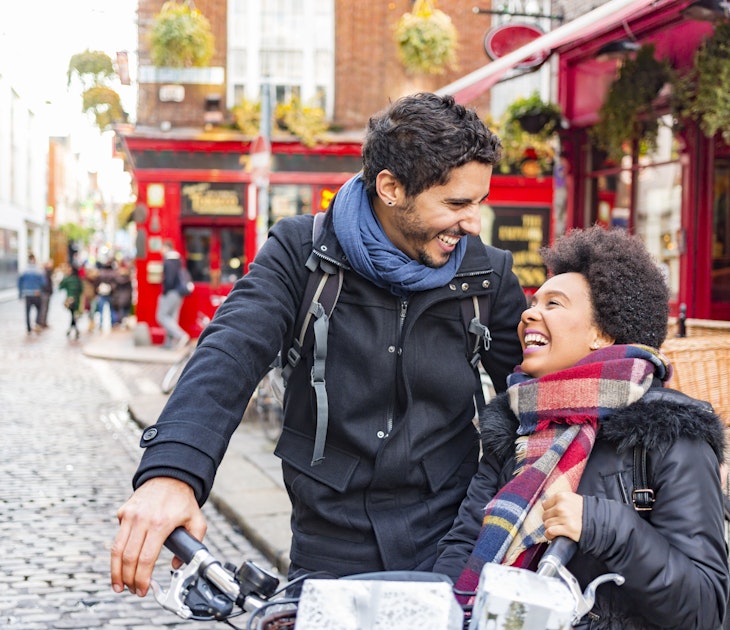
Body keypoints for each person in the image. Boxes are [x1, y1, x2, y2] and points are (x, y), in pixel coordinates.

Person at [111, 92, 526, 598]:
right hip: (329, 544)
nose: (473, 223)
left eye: (479, 201)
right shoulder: (299, 252)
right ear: (391, 188)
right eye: (457, 203)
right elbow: (230, 349)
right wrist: (173, 472)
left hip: (452, 534)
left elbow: (535, 390)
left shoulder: (488, 273)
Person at [433, 226, 729, 629]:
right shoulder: (513, 425)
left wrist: (602, 526)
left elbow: (706, 607)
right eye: (532, 302)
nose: (529, 313)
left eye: (553, 303)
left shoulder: (669, 432)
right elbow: (466, 543)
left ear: (601, 333)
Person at [155, 240, 190, 349]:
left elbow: (169, 280)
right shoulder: (178, 260)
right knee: (172, 318)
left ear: (166, 247)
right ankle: (169, 344)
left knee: (161, 316)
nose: (161, 250)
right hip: (179, 292)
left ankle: (181, 335)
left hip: (171, 292)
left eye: (162, 248)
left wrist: (164, 292)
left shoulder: (168, 261)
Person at [18, 253, 47, 334]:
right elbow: (43, 282)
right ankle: (37, 323)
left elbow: (20, 283)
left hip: (27, 293)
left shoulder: (24, 270)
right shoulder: (39, 270)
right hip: (36, 293)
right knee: (39, 309)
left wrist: (20, 294)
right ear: (34, 260)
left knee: (27, 311)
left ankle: (28, 328)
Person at [59, 263, 83, 339]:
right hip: (77, 300)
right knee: (73, 315)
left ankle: (72, 329)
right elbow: (81, 290)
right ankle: (74, 329)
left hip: (70, 300)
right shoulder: (78, 279)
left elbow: (60, 287)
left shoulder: (68, 279)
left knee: (72, 315)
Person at [37, 259, 54, 328]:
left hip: (47, 292)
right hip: (45, 292)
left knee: (45, 308)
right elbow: (44, 283)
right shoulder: (45, 272)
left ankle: (43, 322)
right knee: (44, 308)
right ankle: (42, 322)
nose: (52, 264)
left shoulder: (48, 272)